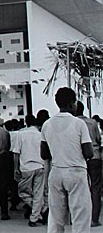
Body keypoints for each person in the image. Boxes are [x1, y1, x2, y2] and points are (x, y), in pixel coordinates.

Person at [41, 87, 93, 233]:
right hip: (76, 171)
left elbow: (44, 154)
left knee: (56, 216)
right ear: (71, 103)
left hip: (56, 171)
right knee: (80, 214)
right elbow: (88, 153)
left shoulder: (47, 124)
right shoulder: (79, 124)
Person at [12, 114, 47, 226]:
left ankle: (36, 215)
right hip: (40, 166)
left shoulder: (21, 134)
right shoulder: (40, 134)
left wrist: (15, 168)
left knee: (22, 192)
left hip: (26, 167)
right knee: (38, 193)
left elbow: (16, 153)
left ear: (26, 122)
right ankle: (38, 214)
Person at [76, 101, 102, 227]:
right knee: (96, 188)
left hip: (79, 158)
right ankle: (94, 219)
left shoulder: (73, 123)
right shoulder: (92, 122)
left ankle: (79, 218)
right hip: (95, 156)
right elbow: (98, 139)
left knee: (80, 188)